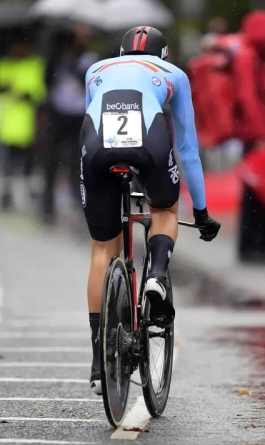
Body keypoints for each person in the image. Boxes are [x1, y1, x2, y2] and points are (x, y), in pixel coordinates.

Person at [81, 27, 221, 393]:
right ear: (165, 53)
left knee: (101, 249)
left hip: (96, 145)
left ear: (121, 52)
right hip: (150, 140)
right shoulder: (173, 74)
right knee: (165, 209)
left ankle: (99, 364)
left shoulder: (96, 70)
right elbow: (188, 148)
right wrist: (203, 212)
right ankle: (157, 273)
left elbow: (93, 115)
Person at [232, 11, 265, 262]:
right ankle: (254, 244)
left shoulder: (258, 57)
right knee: (256, 191)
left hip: (263, 135)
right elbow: (248, 99)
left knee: (262, 189)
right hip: (256, 137)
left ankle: (262, 243)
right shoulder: (248, 58)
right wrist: (262, 134)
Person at [44, 24, 98, 223]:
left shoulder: (88, 58)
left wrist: (74, 67)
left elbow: (92, 81)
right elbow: (47, 80)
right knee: (52, 158)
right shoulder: (57, 57)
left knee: (79, 158)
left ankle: (79, 198)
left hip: (79, 114)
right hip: (59, 113)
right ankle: (48, 201)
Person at [0, 37, 48, 210]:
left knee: (26, 163)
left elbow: (39, 91)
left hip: (25, 123)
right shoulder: (2, 65)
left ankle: (26, 197)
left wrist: (24, 94)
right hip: (5, 123)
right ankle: (5, 195)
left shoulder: (34, 65)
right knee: (5, 162)